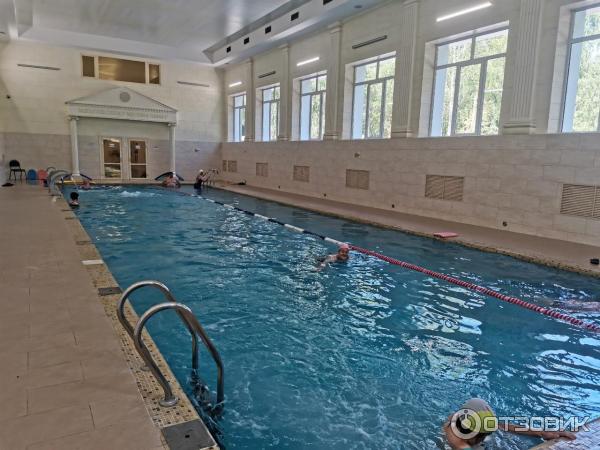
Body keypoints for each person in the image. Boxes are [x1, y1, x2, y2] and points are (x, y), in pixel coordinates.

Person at [443, 398, 577, 450]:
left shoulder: (473, 425)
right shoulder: (453, 436)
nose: (483, 438)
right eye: (481, 435)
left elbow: (505, 427)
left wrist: (541, 433)